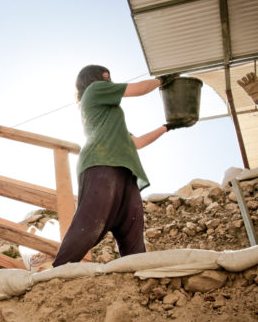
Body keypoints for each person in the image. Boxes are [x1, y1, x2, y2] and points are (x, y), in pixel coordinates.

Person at [52, 65, 186, 267]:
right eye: (105, 75)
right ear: (93, 78)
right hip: (101, 164)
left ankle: (136, 274)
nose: (109, 79)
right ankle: (57, 272)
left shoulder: (111, 119)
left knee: (131, 230)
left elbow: (137, 142)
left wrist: (167, 127)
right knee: (90, 224)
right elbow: (139, 89)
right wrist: (163, 80)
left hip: (125, 171)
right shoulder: (95, 89)